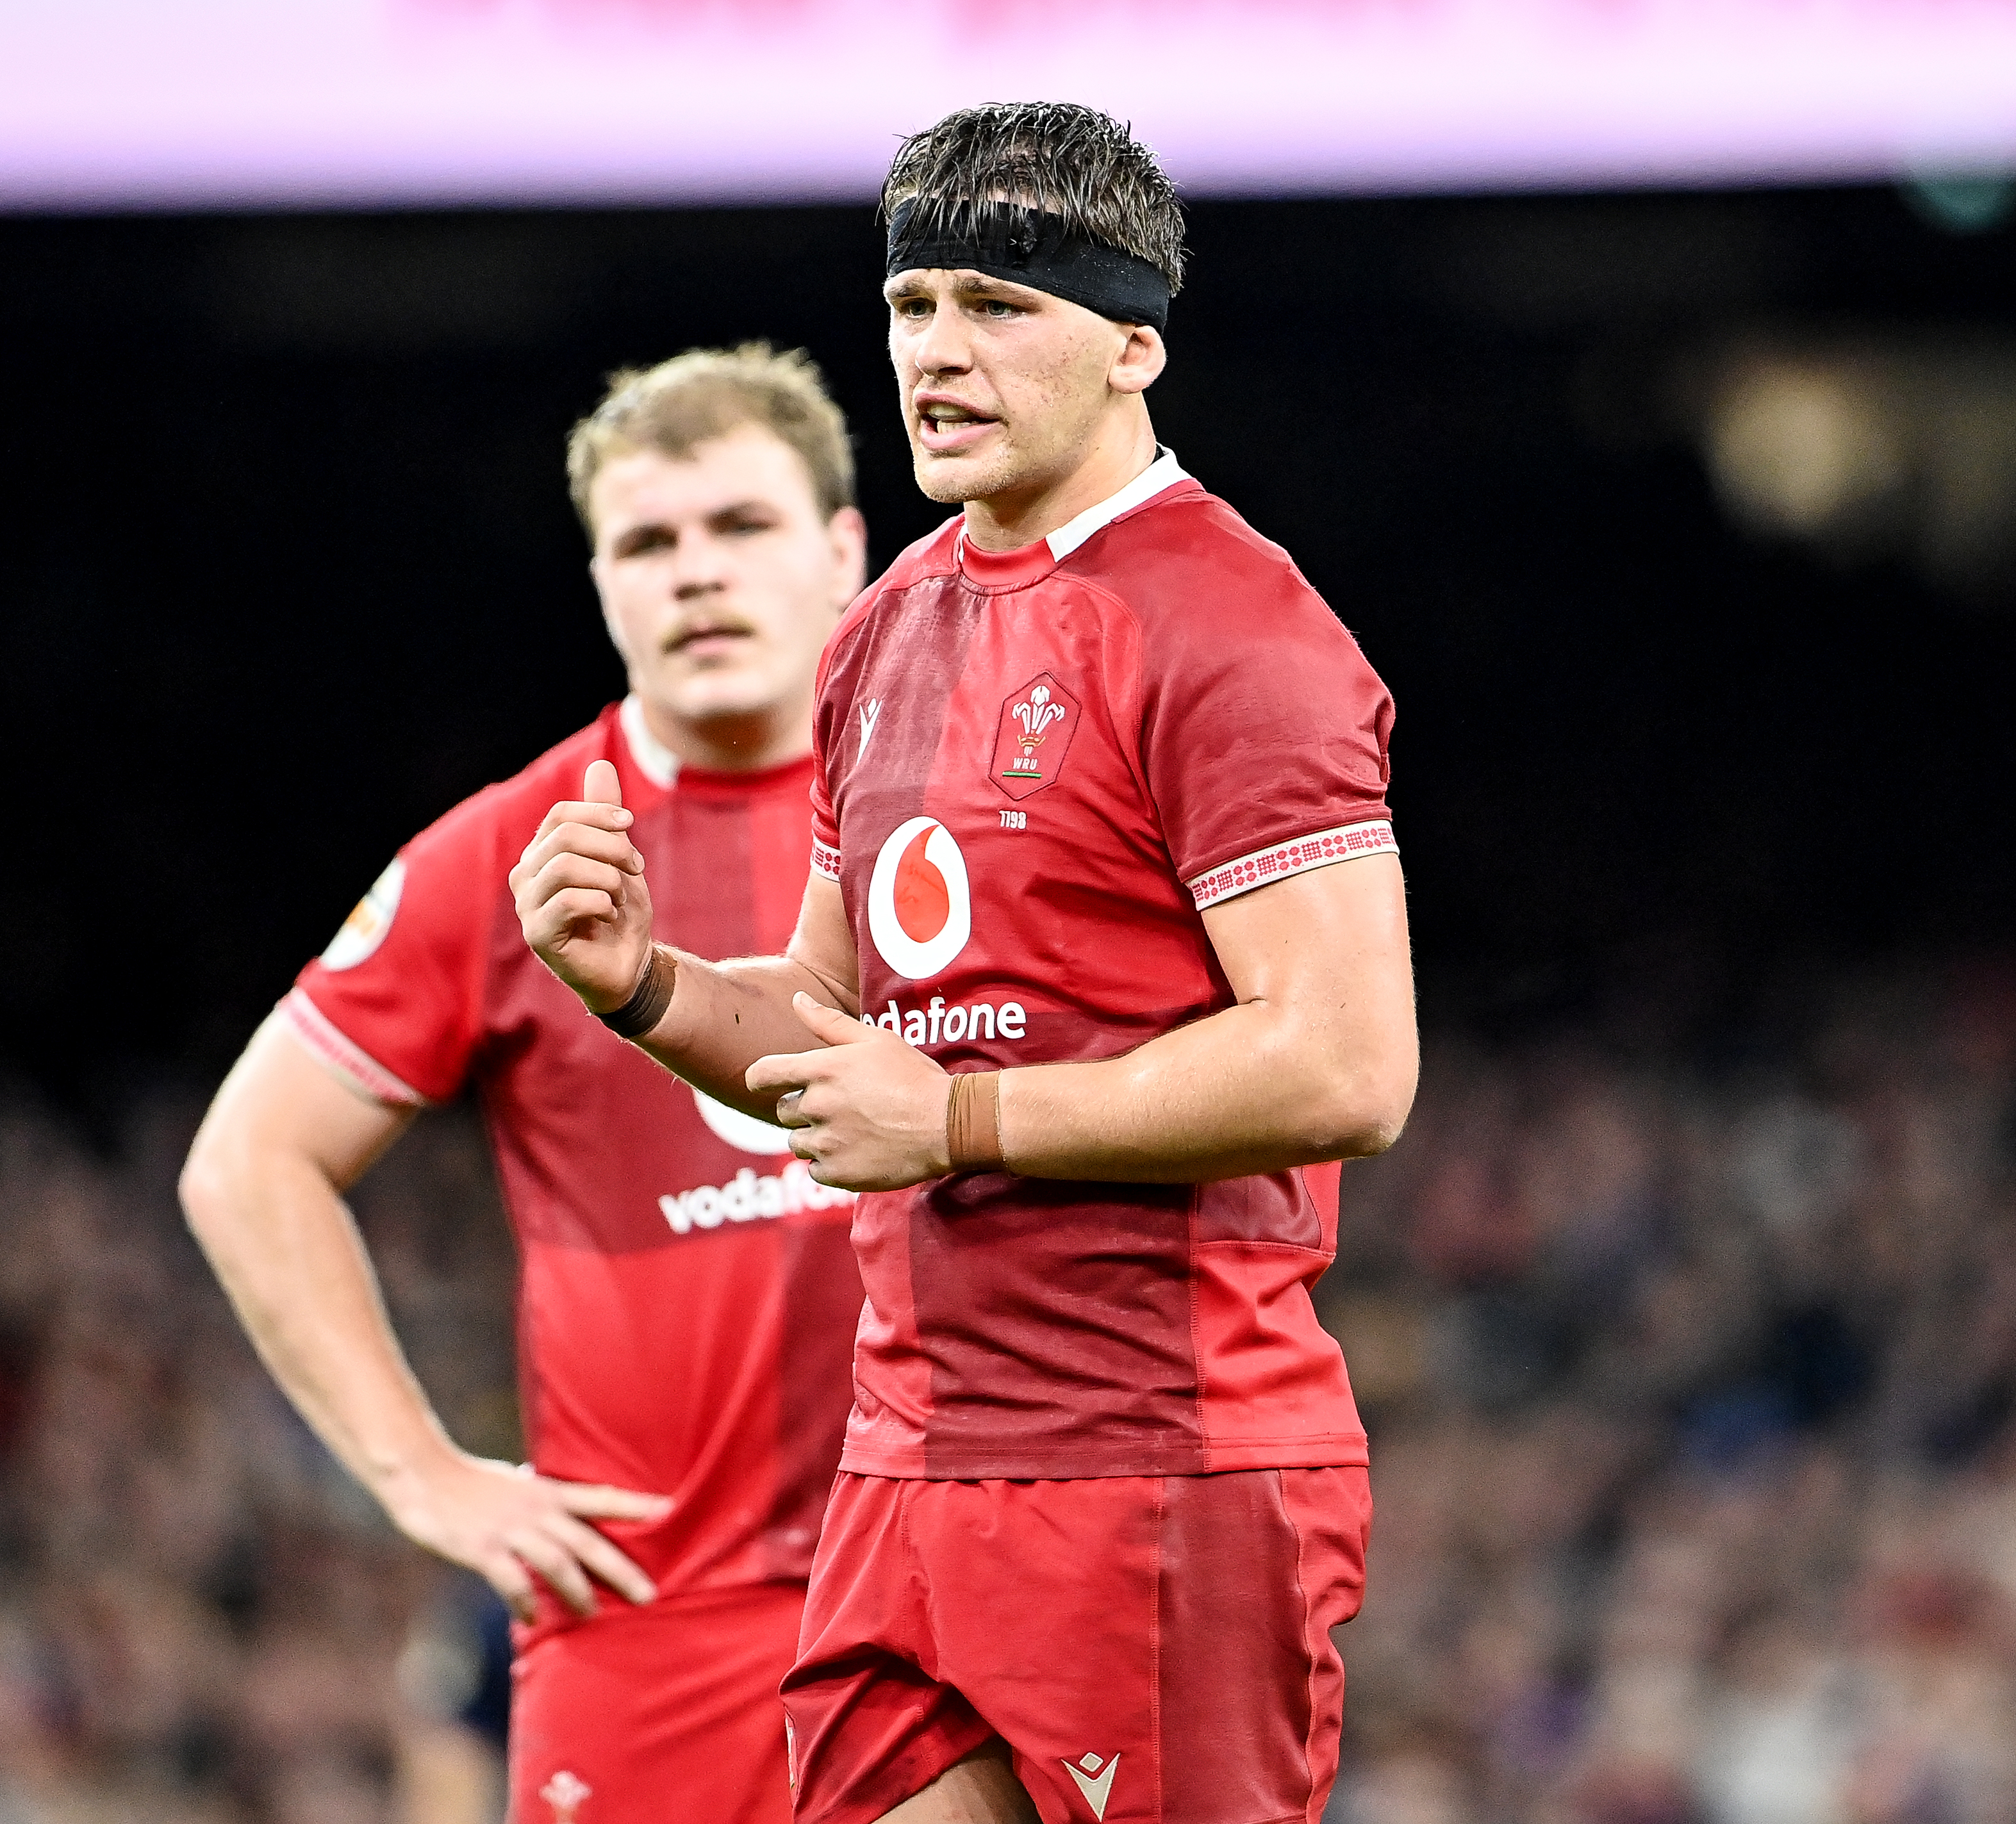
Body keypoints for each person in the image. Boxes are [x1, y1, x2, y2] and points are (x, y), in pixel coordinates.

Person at [511, 104, 1419, 1824]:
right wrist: (644, 982)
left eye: (1000, 307)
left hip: (1155, 1458)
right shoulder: (882, 635)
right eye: (913, 305)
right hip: (911, 1456)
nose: (938, 352)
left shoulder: (1238, 631)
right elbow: (832, 1026)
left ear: (1136, 344)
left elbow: (1346, 1063)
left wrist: (959, 1123)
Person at [179, 343, 871, 1824]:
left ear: (843, 549)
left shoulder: (967, 815)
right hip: (653, 1627)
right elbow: (246, 1162)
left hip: (957, 1589)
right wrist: (421, 1473)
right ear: (603, 581)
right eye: (649, 541)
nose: (697, 572)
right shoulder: (518, 850)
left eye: (741, 524)